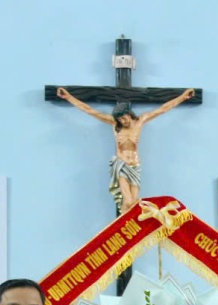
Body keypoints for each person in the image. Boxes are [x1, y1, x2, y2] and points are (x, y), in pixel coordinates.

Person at [55, 86, 195, 214]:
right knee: (127, 201)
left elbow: (163, 109)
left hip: (135, 165)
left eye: (124, 118)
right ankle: (122, 226)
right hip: (121, 165)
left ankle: (127, 227)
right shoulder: (114, 123)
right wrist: (68, 97)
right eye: (120, 119)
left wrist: (183, 97)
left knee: (134, 203)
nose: (123, 121)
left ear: (129, 113)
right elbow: (90, 111)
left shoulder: (140, 121)